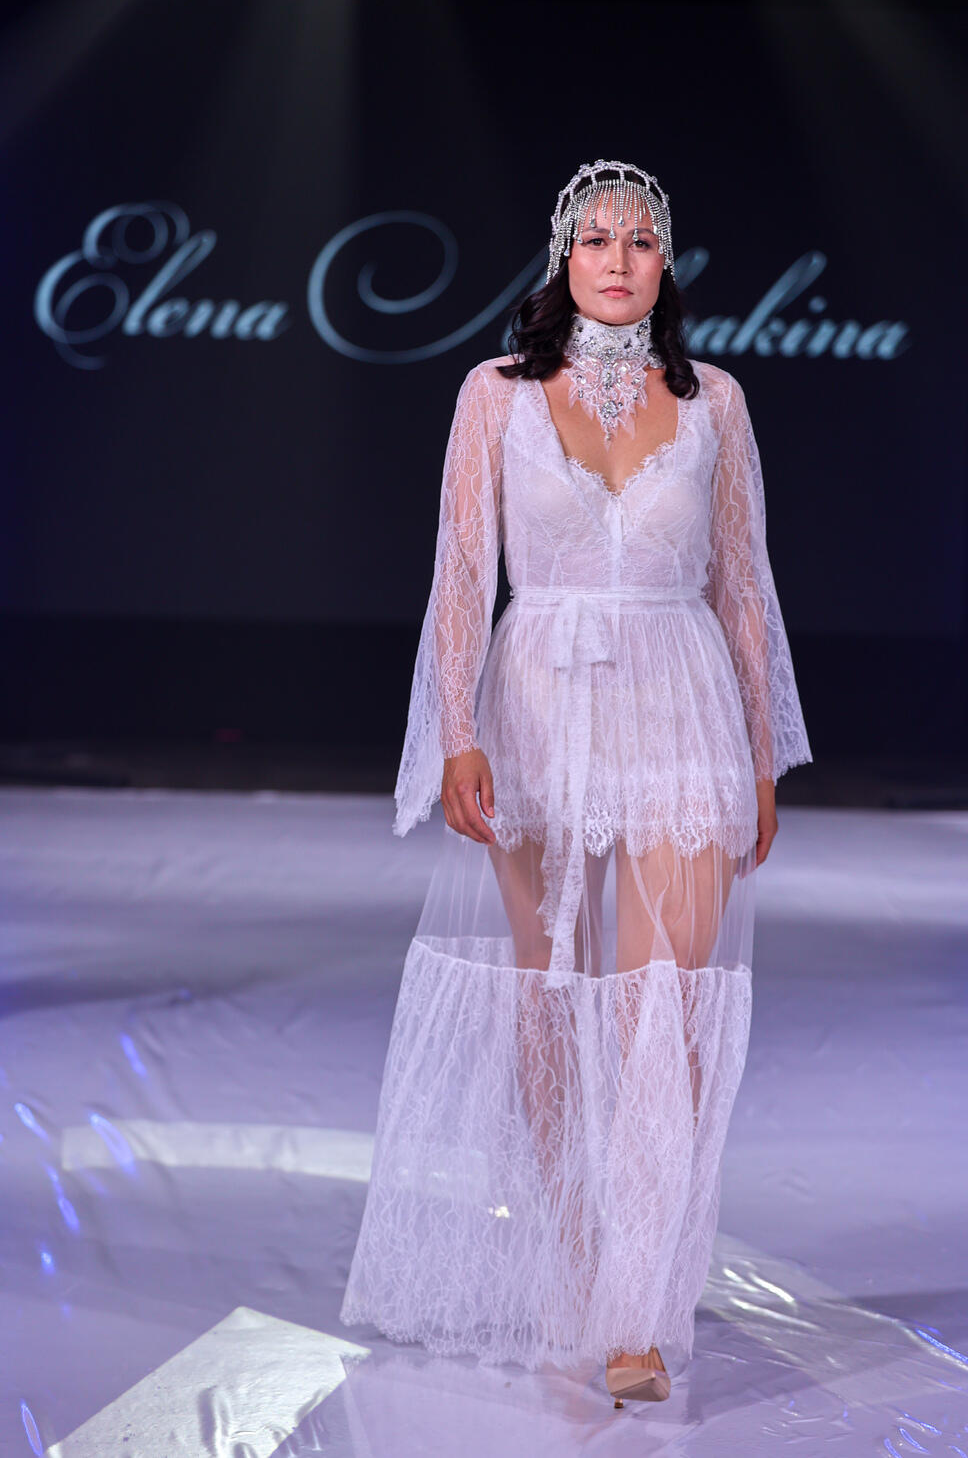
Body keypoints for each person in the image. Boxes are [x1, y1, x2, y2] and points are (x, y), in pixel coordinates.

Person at [339, 158, 811, 1407]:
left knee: (668, 1008)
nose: (617, 257)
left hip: (682, 706)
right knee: (551, 1001)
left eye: (640, 239)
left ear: (665, 262)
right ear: (564, 256)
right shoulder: (494, 393)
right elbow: (460, 570)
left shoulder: (715, 400)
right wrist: (456, 733)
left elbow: (743, 586)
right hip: (538, 702)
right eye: (596, 237)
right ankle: (579, 1254)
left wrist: (761, 755)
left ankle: (639, 1306)